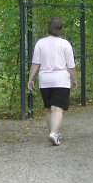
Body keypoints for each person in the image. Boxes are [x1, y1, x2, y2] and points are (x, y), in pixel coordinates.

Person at [27, 17, 78, 146]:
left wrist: (30, 79)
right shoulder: (65, 44)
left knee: (50, 109)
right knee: (58, 109)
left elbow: (35, 64)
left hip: (45, 81)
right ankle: (54, 133)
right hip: (60, 80)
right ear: (61, 29)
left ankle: (53, 133)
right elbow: (71, 66)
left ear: (48, 28)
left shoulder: (40, 43)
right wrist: (74, 79)